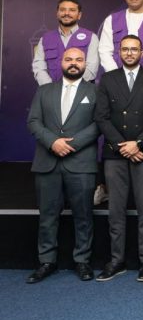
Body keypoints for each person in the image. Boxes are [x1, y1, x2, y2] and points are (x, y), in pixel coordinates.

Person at [26, 47, 99, 283]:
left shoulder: (95, 92)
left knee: (84, 215)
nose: (74, 63)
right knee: (47, 216)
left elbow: (99, 124)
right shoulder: (44, 91)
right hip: (47, 163)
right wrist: (53, 142)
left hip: (81, 163)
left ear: (85, 64)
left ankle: (82, 261)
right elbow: (33, 121)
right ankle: (46, 261)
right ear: (61, 62)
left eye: (79, 60)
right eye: (69, 59)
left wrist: (70, 144)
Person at [94, 35, 143, 282]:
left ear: (142, 52)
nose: (130, 53)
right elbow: (101, 117)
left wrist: (139, 143)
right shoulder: (108, 79)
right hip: (115, 154)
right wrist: (122, 146)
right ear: (119, 52)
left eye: (134, 49)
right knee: (116, 211)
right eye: (125, 49)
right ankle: (116, 261)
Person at [32, 0, 99, 85]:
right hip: (51, 90)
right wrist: (50, 88)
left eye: (72, 10)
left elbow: (91, 68)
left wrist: (70, 87)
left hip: (82, 90)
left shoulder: (91, 37)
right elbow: (39, 67)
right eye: (62, 10)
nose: (66, 13)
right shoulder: (45, 39)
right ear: (57, 14)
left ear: (79, 15)